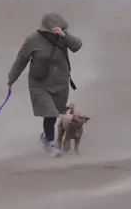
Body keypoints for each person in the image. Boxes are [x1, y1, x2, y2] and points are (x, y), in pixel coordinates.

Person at [7, 12, 83, 157]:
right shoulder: (33, 40)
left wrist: (64, 35)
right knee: (49, 112)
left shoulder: (63, 36)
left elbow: (77, 46)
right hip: (39, 83)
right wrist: (11, 79)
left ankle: (46, 137)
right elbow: (21, 60)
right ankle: (51, 144)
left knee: (54, 114)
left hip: (60, 83)